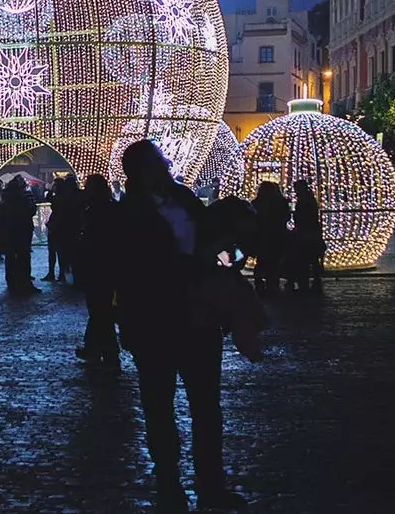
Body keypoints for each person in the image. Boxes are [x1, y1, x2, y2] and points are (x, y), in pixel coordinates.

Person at [115, 140, 244, 511]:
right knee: (158, 407)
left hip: (198, 319)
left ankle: (211, 486)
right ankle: (169, 484)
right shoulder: (130, 214)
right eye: (159, 161)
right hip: (154, 323)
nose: (168, 163)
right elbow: (133, 272)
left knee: (207, 407)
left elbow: (209, 241)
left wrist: (227, 251)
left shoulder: (185, 198)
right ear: (142, 170)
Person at [74, 173, 121, 366]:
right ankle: (94, 348)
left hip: (98, 267)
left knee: (100, 311)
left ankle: (108, 354)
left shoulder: (94, 211)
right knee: (101, 310)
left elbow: (91, 241)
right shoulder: (113, 209)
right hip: (108, 267)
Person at [250, 183, 290, 297]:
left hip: (262, 236)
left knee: (262, 261)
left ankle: (260, 284)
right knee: (274, 262)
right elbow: (286, 217)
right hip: (277, 236)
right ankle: (272, 285)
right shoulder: (280, 203)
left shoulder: (256, 203)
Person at [1, 175, 39, 294]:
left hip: (9, 229)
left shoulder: (5, 196)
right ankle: (24, 281)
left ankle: (12, 281)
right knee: (23, 256)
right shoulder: (24, 196)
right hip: (23, 228)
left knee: (11, 256)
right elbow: (31, 210)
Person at [289, 180, 325, 293]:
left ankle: (304, 284)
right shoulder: (309, 198)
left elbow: (302, 216)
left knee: (304, 259)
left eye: (296, 188)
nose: (295, 191)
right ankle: (315, 281)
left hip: (306, 233)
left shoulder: (304, 200)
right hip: (312, 232)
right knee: (313, 259)